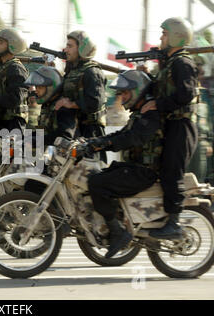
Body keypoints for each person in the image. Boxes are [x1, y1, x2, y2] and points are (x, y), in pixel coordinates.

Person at [86, 70, 163, 258]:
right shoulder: (139, 114)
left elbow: (132, 138)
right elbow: (121, 134)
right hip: (134, 168)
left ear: (137, 91)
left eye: (125, 92)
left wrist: (104, 144)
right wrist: (94, 143)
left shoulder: (150, 115)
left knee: (97, 183)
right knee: (98, 176)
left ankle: (118, 231)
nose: (122, 97)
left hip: (144, 172)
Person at [141, 17, 199, 239]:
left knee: (172, 172)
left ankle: (174, 222)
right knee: (164, 170)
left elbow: (186, 95)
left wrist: (158, 104)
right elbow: (160, 90)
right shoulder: (170, 64)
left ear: (175, 36)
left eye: (164, 34)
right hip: (171, 124)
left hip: (181, 125)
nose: (160, 38)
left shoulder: (183, 63)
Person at [55, 31, 107, 161]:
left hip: (90, 132)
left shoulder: (92, 72)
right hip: (75, 130)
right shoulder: (73, 71)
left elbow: (95, 102)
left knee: (88, 172)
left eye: (70, 46)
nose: (66, 50)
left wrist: (72, 104)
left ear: (82, 49)